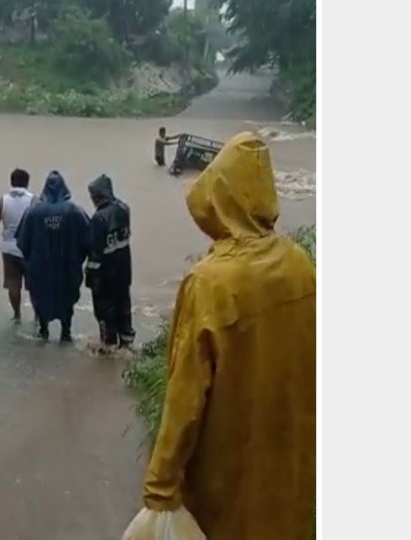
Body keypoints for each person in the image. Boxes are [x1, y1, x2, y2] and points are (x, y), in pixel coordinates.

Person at [133, 133, 315, 539]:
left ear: (217, 201)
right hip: (290, 474)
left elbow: (185, 397)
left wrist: (160, 487)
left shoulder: (210, 283)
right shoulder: (301, 266)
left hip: (225, 482)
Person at [16, 171, 89, 342]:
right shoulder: (74, 211)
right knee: (67, 297)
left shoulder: (33, 212)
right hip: (67, 266)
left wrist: (31, 261)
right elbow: (89, 238)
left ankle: (43, 331)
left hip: (41, 266)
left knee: (42, 297)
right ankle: (66, 332)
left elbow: (22, 243)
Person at [85, 174, 135, 351]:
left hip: (105, 274)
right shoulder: (124, 209)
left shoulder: (99, 218)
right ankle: (127, 341)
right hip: (124, 269)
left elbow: (95, 252)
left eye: (93, 196)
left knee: (105, 310)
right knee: (123, 304)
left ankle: (108, 345)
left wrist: (90, 277)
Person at [0, 168, 35, 323]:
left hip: (8, 249)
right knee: (34, 284)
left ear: (11, 182)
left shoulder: (2, 201)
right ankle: (38, 316)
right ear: (27, 182)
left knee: (13, 285)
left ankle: (17, 314)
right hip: (29, 249)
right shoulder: (34, 200)